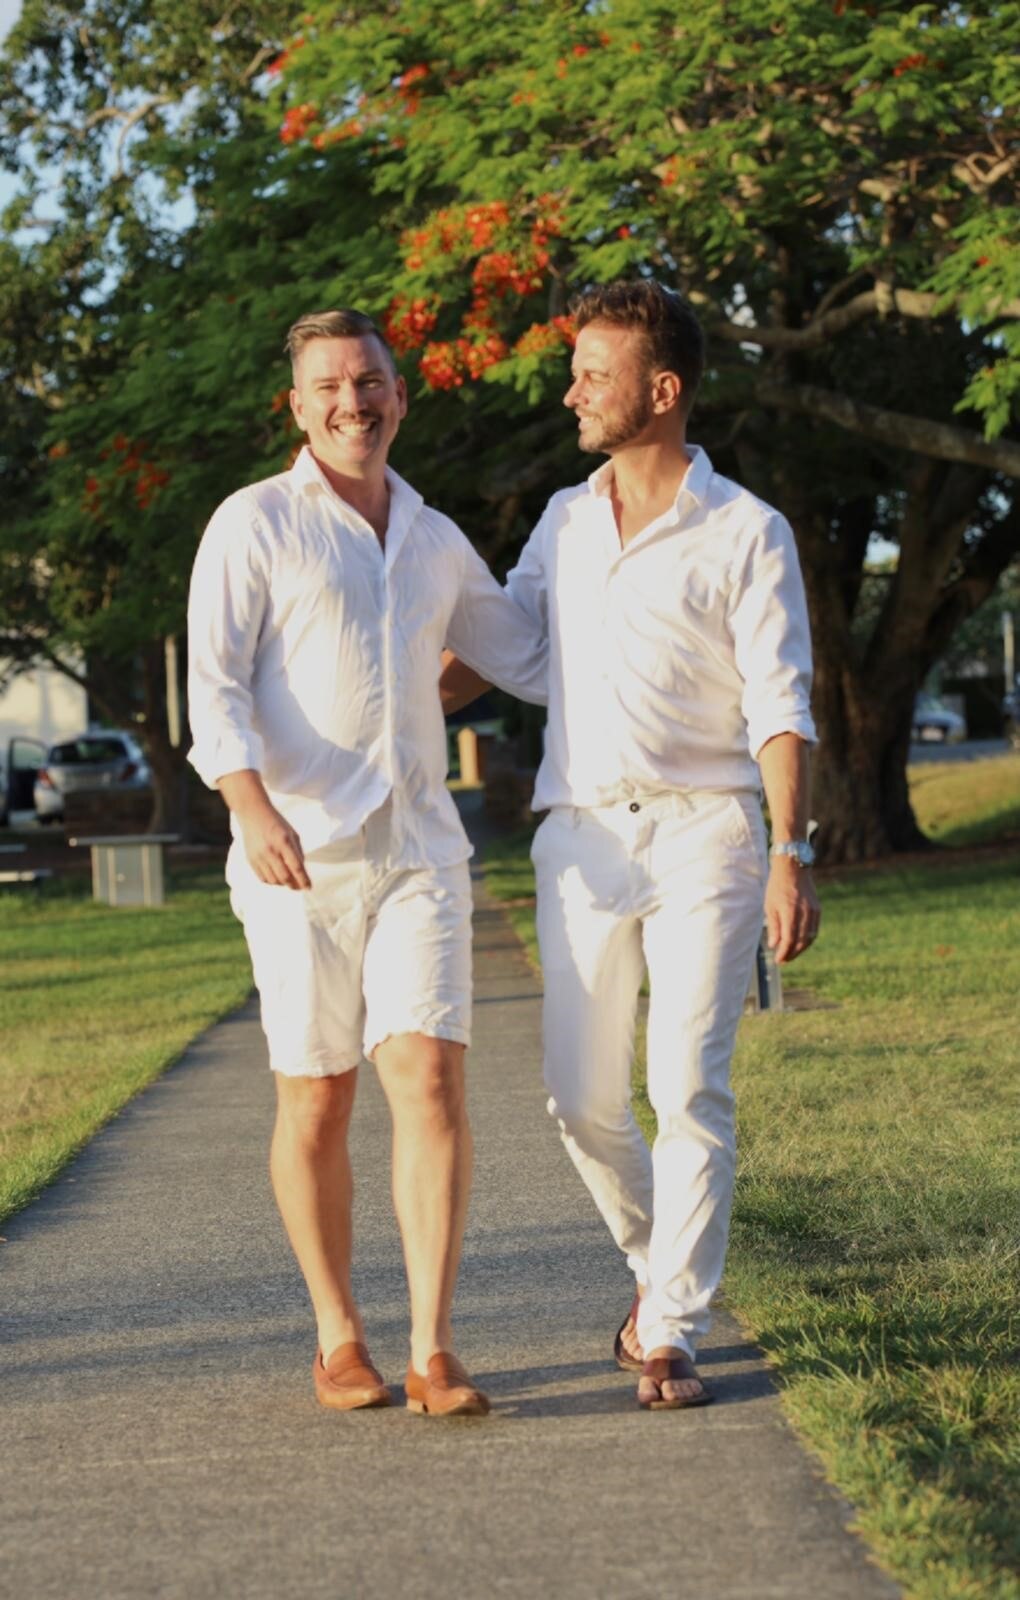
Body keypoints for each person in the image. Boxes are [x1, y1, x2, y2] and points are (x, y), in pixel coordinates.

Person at [441, 280, 820, 1409]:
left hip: (710, 833)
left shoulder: (749, 529)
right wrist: (397, 709)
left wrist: (791, 850)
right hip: (581, 837)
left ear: (661, 391)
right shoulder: (563, 518)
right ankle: (658, 1275)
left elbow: (781, 705)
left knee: (686, 1085)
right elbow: (512, 643)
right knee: (581, 1096)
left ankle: (670, 1331)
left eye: (592, 374)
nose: (572, 393)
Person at [187, 308, 546, 1418]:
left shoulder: (433, 534)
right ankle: (339, 1335)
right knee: (320, 1095)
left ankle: (435, 1348)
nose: (355, 402)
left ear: (401, 393)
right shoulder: (253, 523)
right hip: (293, 855)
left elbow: (522, 650)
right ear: (298, 407)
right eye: (331, 386)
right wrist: (249, 805)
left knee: (429, 1077)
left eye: (372, 381)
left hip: (419, 850)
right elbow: (215, 685)